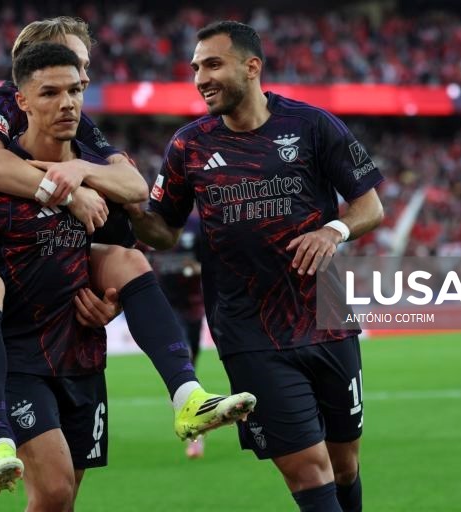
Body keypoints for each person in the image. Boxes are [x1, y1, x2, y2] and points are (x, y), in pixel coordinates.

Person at [0, 16, 255, 494]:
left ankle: (187, 394)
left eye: (81, 79)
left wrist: (79, 173)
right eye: (72, 70)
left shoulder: (80, 131)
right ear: (30, 80)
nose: (78, 89)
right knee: (53, 489)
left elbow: (135, 188)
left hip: (65, 319)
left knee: (63, 494)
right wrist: (64, 191)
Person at [126, 21, 384, 512]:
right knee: (308, 469)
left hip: (327, 319)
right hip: (250, 333)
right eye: (196, 67)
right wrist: (123, 207)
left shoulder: (313, 126)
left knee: (344, 462)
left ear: (252, 67)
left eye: (213, 64)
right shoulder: (188, 146)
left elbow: (368, 206)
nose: (201, 77)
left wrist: (334, 230)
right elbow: (162, 231)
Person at [148, 224, 207, 458]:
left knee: (189, 368)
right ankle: (196, 435)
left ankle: (196, 426)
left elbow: (212, 266)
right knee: (184, 360)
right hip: (165, 309)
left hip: (193, 308)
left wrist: (196, 268)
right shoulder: (149, 231)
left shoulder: (197, 230)